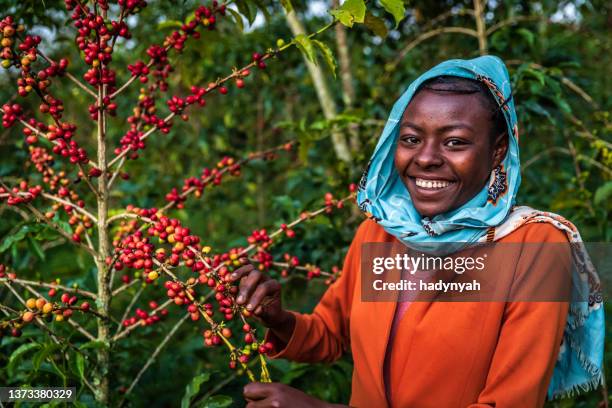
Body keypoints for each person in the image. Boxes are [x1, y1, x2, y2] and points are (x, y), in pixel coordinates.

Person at [230, 56, 605, 408]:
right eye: (411, 139)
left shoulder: (535, 248)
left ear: (497, 150)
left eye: (455, 141)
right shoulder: (380, 234)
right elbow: (330, 335)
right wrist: (279, 319)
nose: (425, 158)